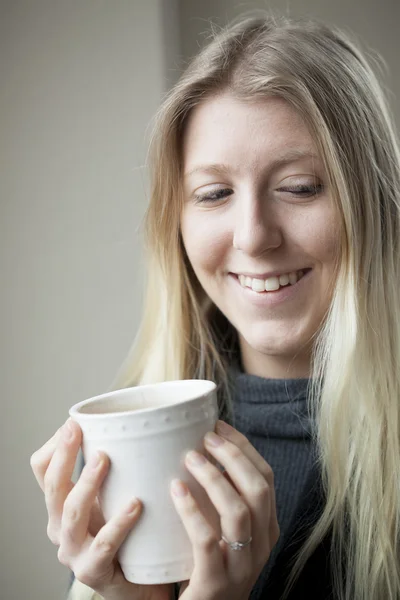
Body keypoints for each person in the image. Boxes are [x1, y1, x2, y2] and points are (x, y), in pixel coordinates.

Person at [30, 11, 400, 600]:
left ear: (373, 205)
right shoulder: (129, 457)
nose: (253, 236)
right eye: (215, 194)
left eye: (300, 186)